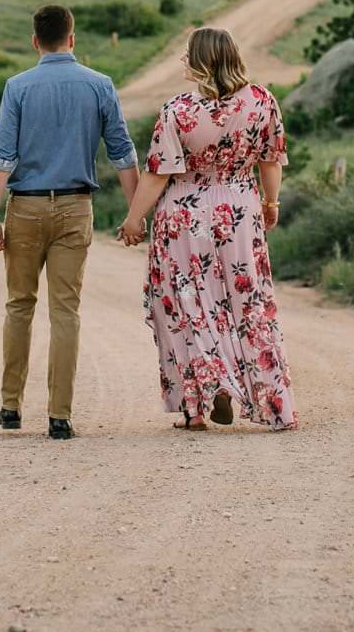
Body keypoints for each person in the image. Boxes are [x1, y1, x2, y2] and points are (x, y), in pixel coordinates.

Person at [120, 27, 298, 431]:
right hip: (238, 210)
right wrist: (270, 204)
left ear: (204, 61)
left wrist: (133, 219)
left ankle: (200, 399)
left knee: (188, 305)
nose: (183, 61)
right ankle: (272, 406)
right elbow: (271, 161)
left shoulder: (177, 111)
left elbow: (159, 174)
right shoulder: (261, 101)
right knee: (247, 303)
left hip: (183, 215)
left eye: (188, 55)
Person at [0, 3, 138, 441]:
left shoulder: (18, 87)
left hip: (26, 207)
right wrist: (134, 214)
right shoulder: (100, 86)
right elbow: (123, 154)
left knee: (19, 305)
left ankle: (11, 406)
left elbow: (2, 158)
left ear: (35, 41)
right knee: (66, 311)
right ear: (73, 38)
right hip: (75, 208)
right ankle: (59, 416)